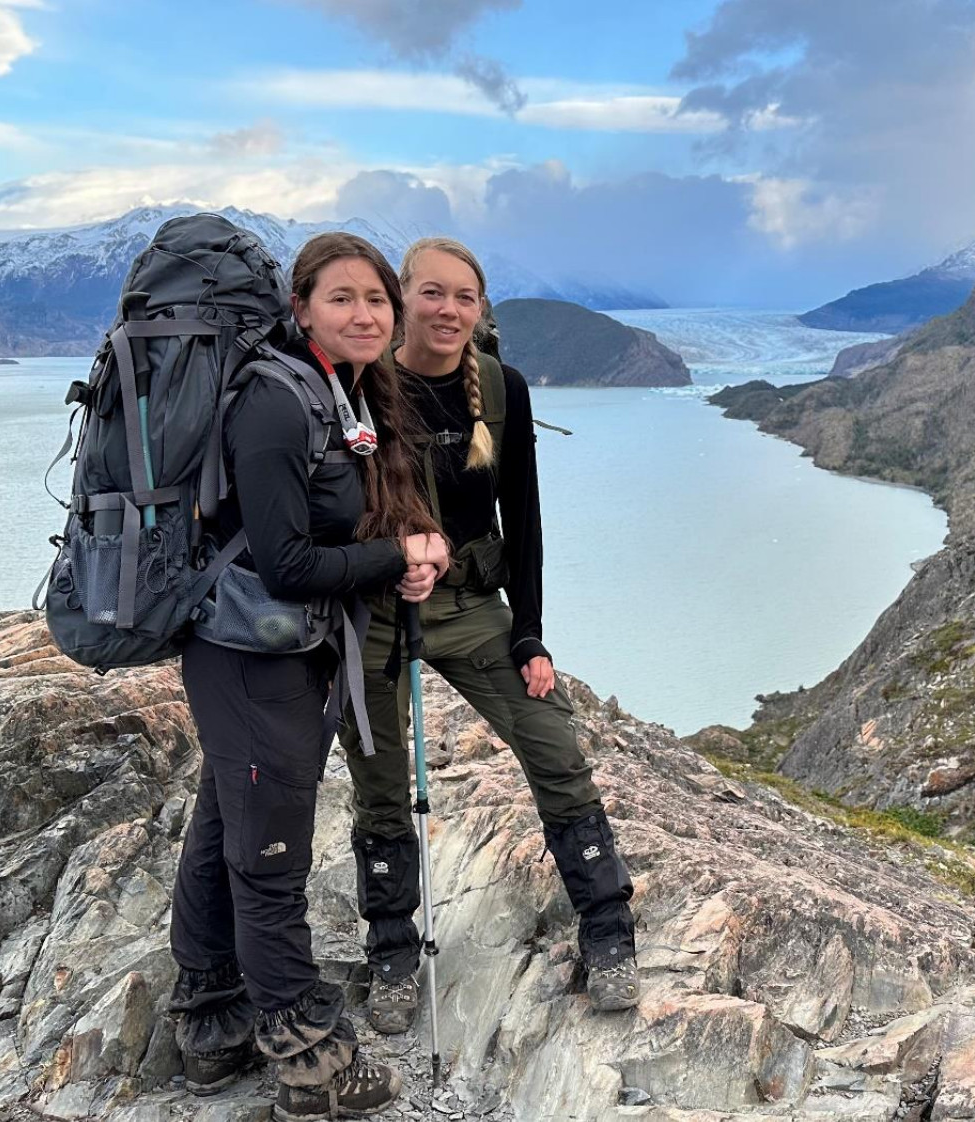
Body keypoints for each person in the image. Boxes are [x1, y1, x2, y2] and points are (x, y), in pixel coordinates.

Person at [166, 232, 449, 1119]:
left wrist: (400, 555)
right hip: (251, 656)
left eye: (376, 299)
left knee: (226, 822)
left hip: (272, 650)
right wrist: (389, 556)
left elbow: (324, 541)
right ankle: (310, 1062)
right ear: (301, 308)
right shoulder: (278, 400)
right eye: (342, 298)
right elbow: (287, 562)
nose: (365, 314)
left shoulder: (339, 390)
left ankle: (211, 1025)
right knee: (270, 857)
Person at [341, 236, 640, 1036]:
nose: (447, 310)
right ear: (402, 299)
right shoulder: (360, 389)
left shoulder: (500, 389)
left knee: (554, 747)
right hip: (375, 609)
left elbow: (526, 517)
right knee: (378, 783)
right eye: (431, 294)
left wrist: (531, 636)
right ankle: (394, 947)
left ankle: (609, 928)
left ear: (480, 310)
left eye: (464, 298)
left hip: (474, 605)